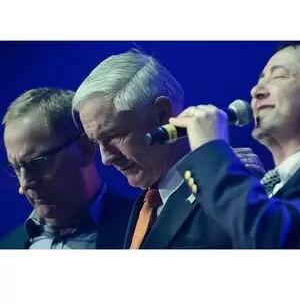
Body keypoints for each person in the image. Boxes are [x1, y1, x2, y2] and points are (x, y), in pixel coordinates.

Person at [72, 49, 265, 249]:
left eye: (114, 135)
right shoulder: (147, 202)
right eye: (97, 142)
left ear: (161, 113)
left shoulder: (230, 185)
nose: (106, 158)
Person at [169, 41, 300, 248]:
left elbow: (276, 239)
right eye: (260, 79)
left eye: (279, 76)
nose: (255, 91)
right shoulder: (264, 186)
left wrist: (211, 152)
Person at [0, 87, 134, 249]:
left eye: (36, 163)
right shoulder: (7, 246)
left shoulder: (143, 227)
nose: (25, 182)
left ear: (85, 148)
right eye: (16, 167)